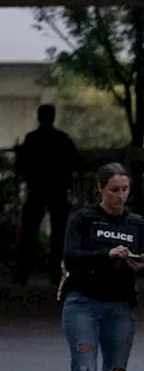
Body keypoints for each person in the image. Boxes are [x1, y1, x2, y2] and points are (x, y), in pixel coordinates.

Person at [59, 162, 144, 371]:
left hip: (120, 306)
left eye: (125, 190)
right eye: (113, 190)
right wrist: (106, 255)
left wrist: (141, 265)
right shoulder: (84, 219)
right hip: (83, 303)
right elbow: (70, 256)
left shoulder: (136, 224)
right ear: (100, 189)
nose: (120, 196)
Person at [15, 104, 80, 285]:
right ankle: (55, 271)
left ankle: (23, 271)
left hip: (36, 189)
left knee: (29, 231)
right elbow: (75, 162)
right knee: (59, 233)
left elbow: (21, 166)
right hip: (58, 190)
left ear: (39, 117)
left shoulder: (32, 139)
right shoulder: (62, 139)